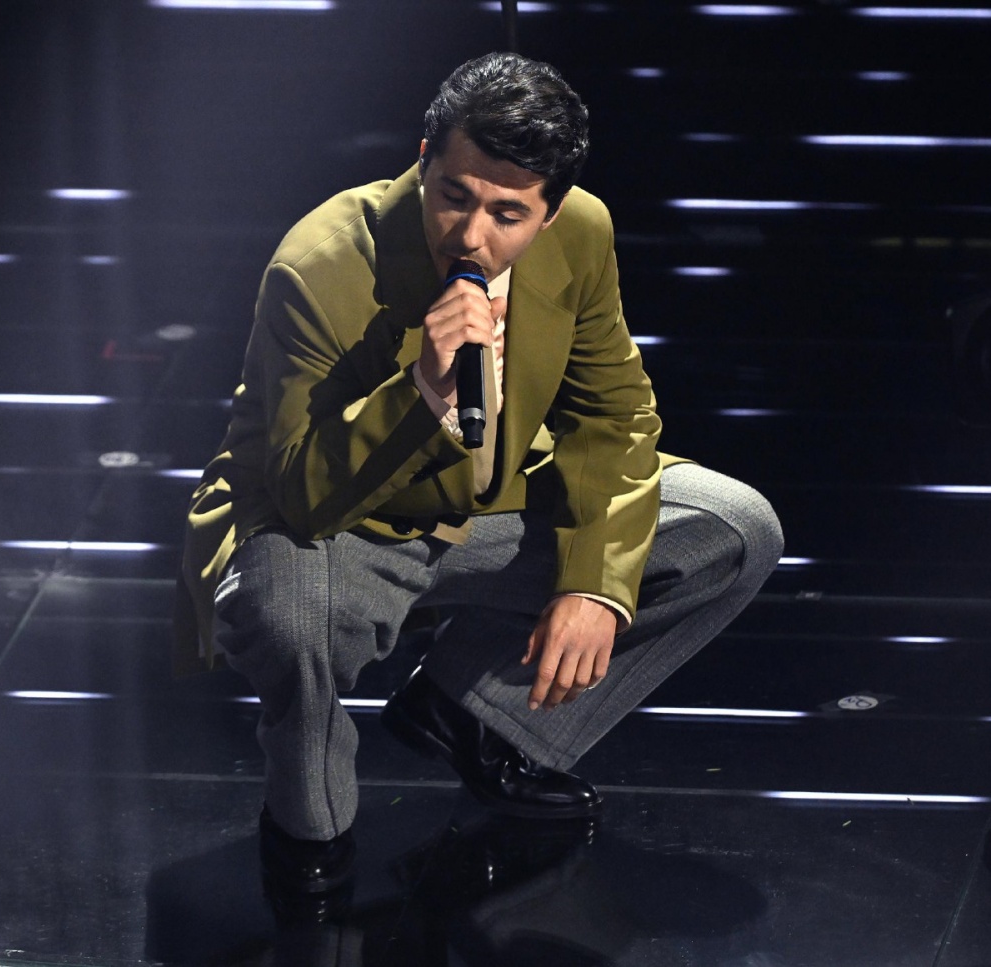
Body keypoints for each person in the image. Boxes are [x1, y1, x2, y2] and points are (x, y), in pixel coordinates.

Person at [174, 52, 783, 896]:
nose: (471, 234)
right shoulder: (319, 263)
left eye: (507, 212)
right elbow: (298, 490)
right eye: (454, 194)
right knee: (288, 612)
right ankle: (306, 831)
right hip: (340, 521)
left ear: (550, 210)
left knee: (734, 527)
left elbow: (613, 417)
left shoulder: (582, 233)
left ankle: (471, 713)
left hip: (482, 503)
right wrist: (419, 390)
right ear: (424, 159)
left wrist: (594, 583)